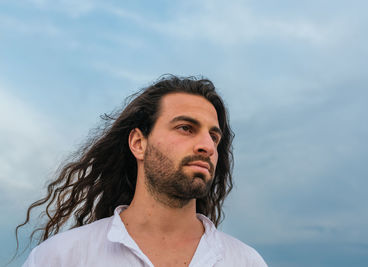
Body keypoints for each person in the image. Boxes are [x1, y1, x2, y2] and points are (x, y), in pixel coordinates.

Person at [18, 75, 267, 266]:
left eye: (214, 136)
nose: (207, 146)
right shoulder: (62, 258)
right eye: (185, 128)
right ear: (139, 143)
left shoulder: (245, 261)